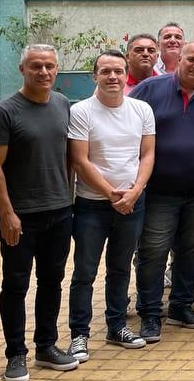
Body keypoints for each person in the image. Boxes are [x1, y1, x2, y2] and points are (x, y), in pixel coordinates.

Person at [0, 44, 78, 381]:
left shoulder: (62, 104)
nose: (44, 72)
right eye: (36, 66)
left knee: (52, 281)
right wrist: (6, 213)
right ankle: (15, 354)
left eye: (50, 66)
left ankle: (46, 346)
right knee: (16, 284)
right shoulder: (5, 112)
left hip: (59, 211)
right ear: (23, 69)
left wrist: (68, 197)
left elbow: (68, 155)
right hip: (21, 216)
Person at [130, 43, 194, 340]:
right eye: (192, 59)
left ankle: (181, 307)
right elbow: (126, 125)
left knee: (193, 248)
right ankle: (149, 312)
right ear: (178, 59)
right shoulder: (150, 89)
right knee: (153, 250)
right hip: (161, 189)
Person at [66, 50, 155, 363]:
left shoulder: (141, 109)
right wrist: (111, 194)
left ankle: (116, 325)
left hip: (133, 203)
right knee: (85, 272)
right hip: (92, 205)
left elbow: (147, 155)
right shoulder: (81, 111)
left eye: (118, 71)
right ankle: (79, 334)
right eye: (106, 71)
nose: (113, 77)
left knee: (119, 268)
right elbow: (80, 159)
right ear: (95, 76)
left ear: (125, 72)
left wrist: (135, 191)